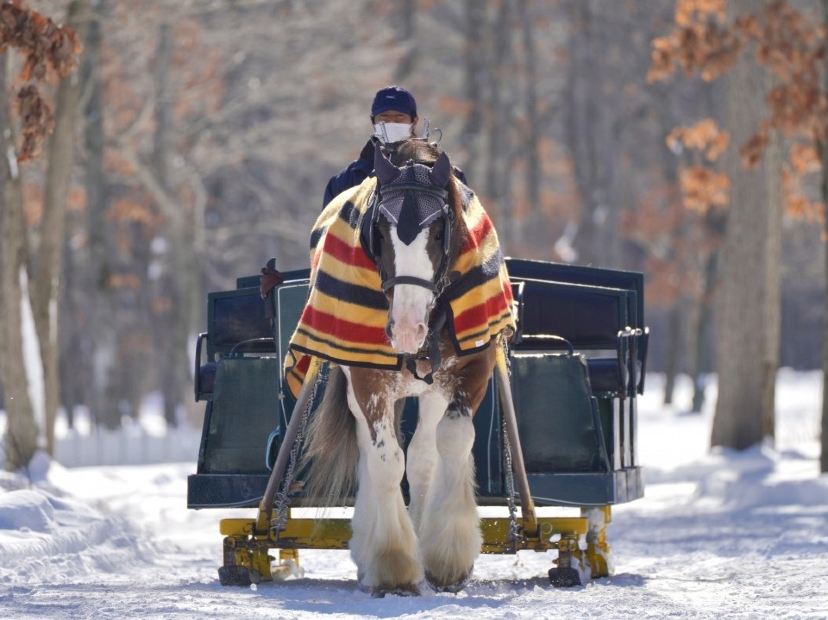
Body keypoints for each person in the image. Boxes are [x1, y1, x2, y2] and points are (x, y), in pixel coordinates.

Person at [322, 85, 420, 208]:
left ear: (414, 121)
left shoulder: (434, 173)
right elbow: (328, 226)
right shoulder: (346, 181)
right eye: (384, 118)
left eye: (399, 117)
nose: (391, 123)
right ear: (373, 121)